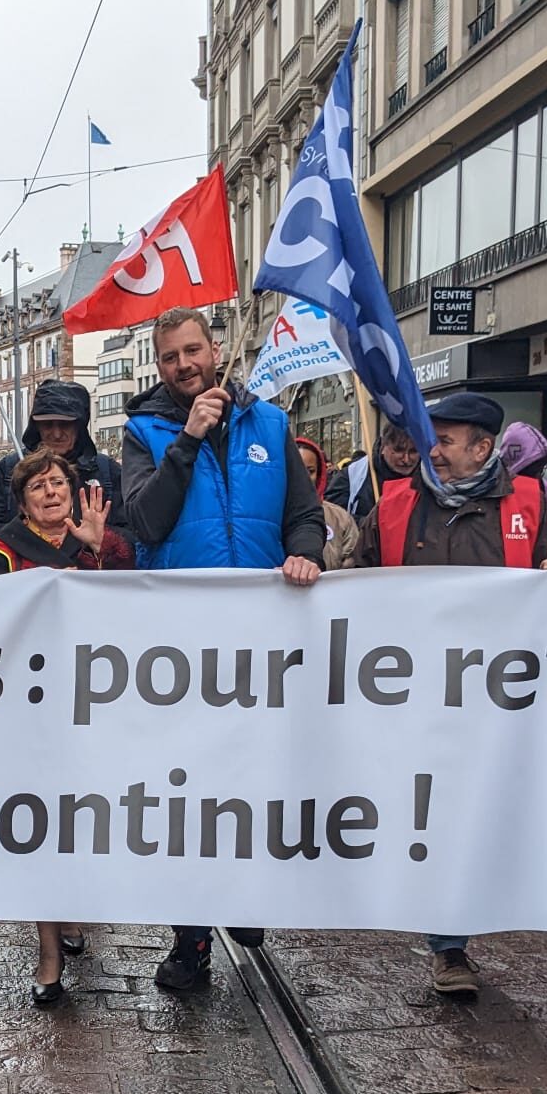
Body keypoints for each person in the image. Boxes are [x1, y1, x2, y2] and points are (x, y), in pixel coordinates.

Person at [121, 305, 324, 993]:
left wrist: (304, 553)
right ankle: (191, 939)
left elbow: (303, 514)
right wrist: (187, 439)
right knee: (189, 795)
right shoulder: (143, 432)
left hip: (262, 642)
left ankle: (245, 895)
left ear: (215, 350)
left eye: (192, 351)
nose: (184, 365)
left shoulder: (270, 423)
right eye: (170, 357)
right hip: (182, 648)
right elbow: (144, 520)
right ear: (160, 366)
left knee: (254, 783)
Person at [358, 392, 547, 995]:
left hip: (505, 698)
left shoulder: (530, 503)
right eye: (433, 436)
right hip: (418, 692)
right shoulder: (395, 505)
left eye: (447, 439)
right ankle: (449, 946)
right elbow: (357, 581)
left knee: (505, 805)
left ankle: (546, 901)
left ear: (483, 448)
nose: (433, 448)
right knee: (438, 812)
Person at [0, 450, 132, 1003]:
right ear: (22, 500)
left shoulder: (98, 544)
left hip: (89, 703)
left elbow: (130, 614)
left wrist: (93, 549)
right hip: (28, 712)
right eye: (38, 485)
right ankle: (47, 952)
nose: (51, 492)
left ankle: (72, 910)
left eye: (59, 482)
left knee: (82, 818)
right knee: (41, 826)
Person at [0, 379, 124, 555]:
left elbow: (136, 540)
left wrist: (97, 536)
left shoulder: (106, 471)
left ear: (79, 426)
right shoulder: (9, 469)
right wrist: (31, 532)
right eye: (48, 424)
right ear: (36, 426)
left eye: (64, 424)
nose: (56, 433)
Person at [292, 435, 360, 571]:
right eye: (296, 469)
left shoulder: (340, 518)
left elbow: (354, 560)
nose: (302, 477)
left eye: (310, 471)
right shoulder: (268, 515)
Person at [326, 425, 416, 520]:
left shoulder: (428, 478)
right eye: (399, 450)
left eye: (414, 451)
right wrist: (370, 526)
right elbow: (333, 520)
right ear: (383, 447)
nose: (406, 459)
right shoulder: (352, 475)